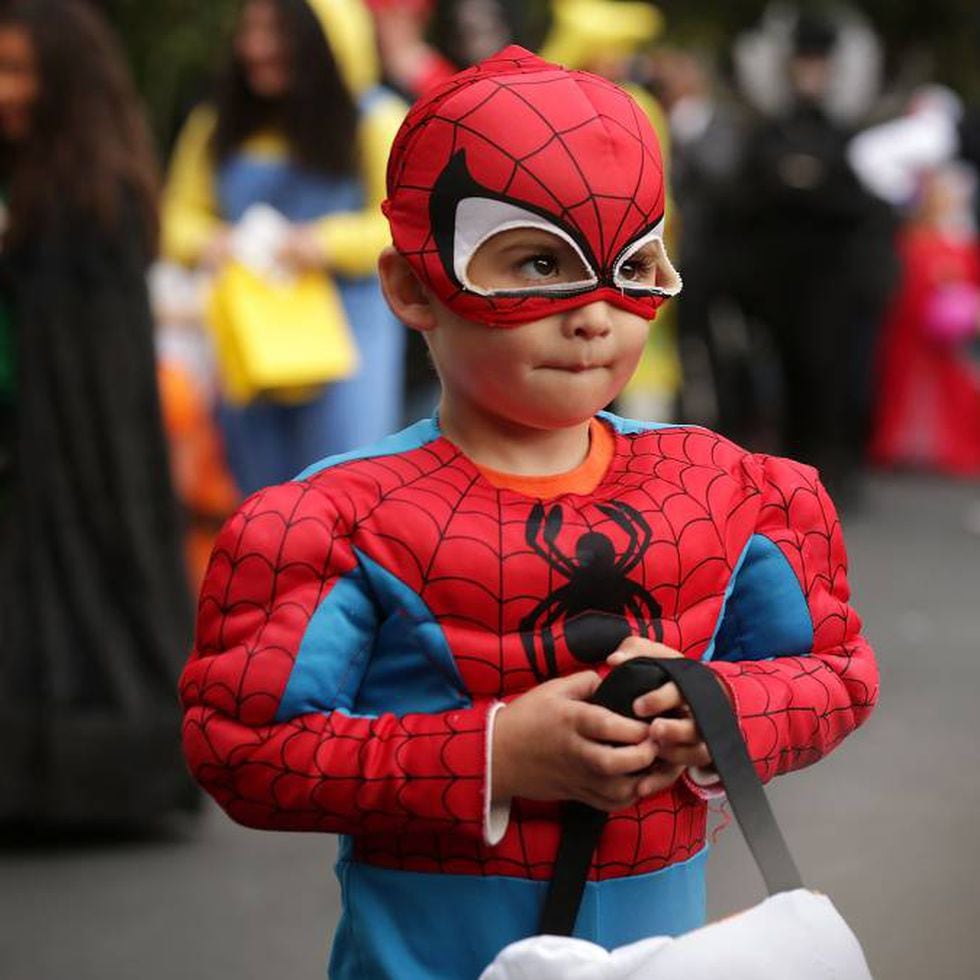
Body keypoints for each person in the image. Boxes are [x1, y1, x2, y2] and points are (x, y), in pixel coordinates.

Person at [179, 47, 879, 978]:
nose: (595, 314)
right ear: (414, 287)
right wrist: (494, 754)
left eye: (633, 265)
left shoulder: (726, 487)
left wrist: (713, 709)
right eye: (541, 264)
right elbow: (243, 747)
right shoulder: (333, 521)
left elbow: (833, 670)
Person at [0, 0, 194, 827]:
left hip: (74, 452)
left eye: (16, 71)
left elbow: (95, 364)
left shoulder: (95, 197)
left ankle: (100, 779)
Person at [161, 0, 406, 496]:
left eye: (275, 33)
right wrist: (215, 242)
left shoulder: (377, 122)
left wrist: (322, 243)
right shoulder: (217, 125)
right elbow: (172, 221)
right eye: (250, 31)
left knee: (343, 495)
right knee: (260, 502)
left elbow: (407, 222)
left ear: (328, 43)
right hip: (248, 345)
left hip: (348, 349)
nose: (256, 48)